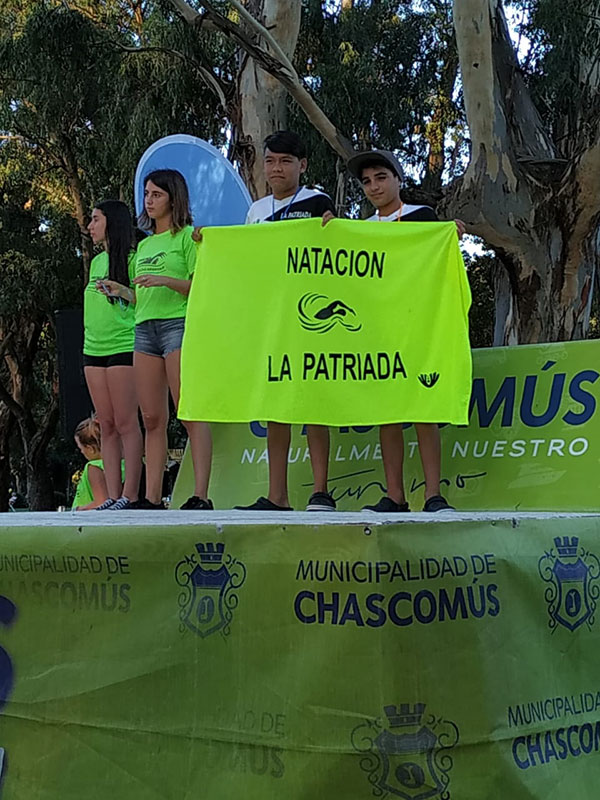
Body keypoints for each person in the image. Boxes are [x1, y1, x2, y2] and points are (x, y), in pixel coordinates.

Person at [342, 148, 465, 513]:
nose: (374, 187)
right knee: (388, 413)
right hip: (379, 331)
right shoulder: (361, 229)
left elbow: (438, 263)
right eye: (366, 182)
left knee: (423, 410)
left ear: (398, 179)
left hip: (420, 328)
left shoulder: (421, 216)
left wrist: (451, 236)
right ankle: (395, 494)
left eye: (381, 178)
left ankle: (433, 494)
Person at [101, 170, 213, 510]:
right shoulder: (145, 244)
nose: (149, 201)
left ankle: (201, 494)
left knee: (188, 411)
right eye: (147, 194)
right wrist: (123, 292)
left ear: (173, 199)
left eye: (156, 195)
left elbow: (202, 287)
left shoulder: (188, 238)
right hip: (144, 329)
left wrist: (165, 280)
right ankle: (151, 497)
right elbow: (142, 295)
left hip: (178, 325)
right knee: (151, 418)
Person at [238, 131, 337, 512]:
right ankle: (277, 495)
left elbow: (333, 255)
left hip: (311, 319)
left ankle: (321, 491)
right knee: (275, 407)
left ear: (302, 165)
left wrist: (333, 227)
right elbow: (245, 260)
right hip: (271, 320)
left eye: (285, 161)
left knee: (314, 405)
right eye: (270, 161)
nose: (276, 168)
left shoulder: (317, 201)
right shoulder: (256, 211)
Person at [85, 201, 143, 511]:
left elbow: (145, 299)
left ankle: (130, 495)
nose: (90, 226)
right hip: (92, 348)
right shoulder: (96, 262)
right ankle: (111, 494)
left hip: (123, 345)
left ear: (112, 222)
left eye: (96, 219)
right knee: (105, 423)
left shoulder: (135, 259)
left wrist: (121, 291)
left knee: (125, 422)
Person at [72, 417, 113, 510]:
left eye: (81, 448)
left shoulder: (94, 467)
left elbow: (102, 503)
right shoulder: (126, 465)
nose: (82, 452)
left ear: (90, 448)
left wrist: (78, 509)